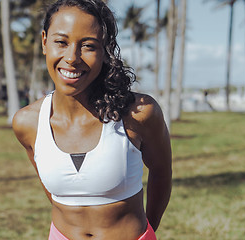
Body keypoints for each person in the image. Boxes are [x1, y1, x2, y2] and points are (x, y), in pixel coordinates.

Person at [12, 0, 172, 239]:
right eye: (61, 42)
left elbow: (161, 172)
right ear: (45, 41)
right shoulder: (27, 123)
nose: (72, 57)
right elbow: (53, 193)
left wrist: (149, 229)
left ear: (105, 50)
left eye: (88, 46)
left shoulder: (139, 113)